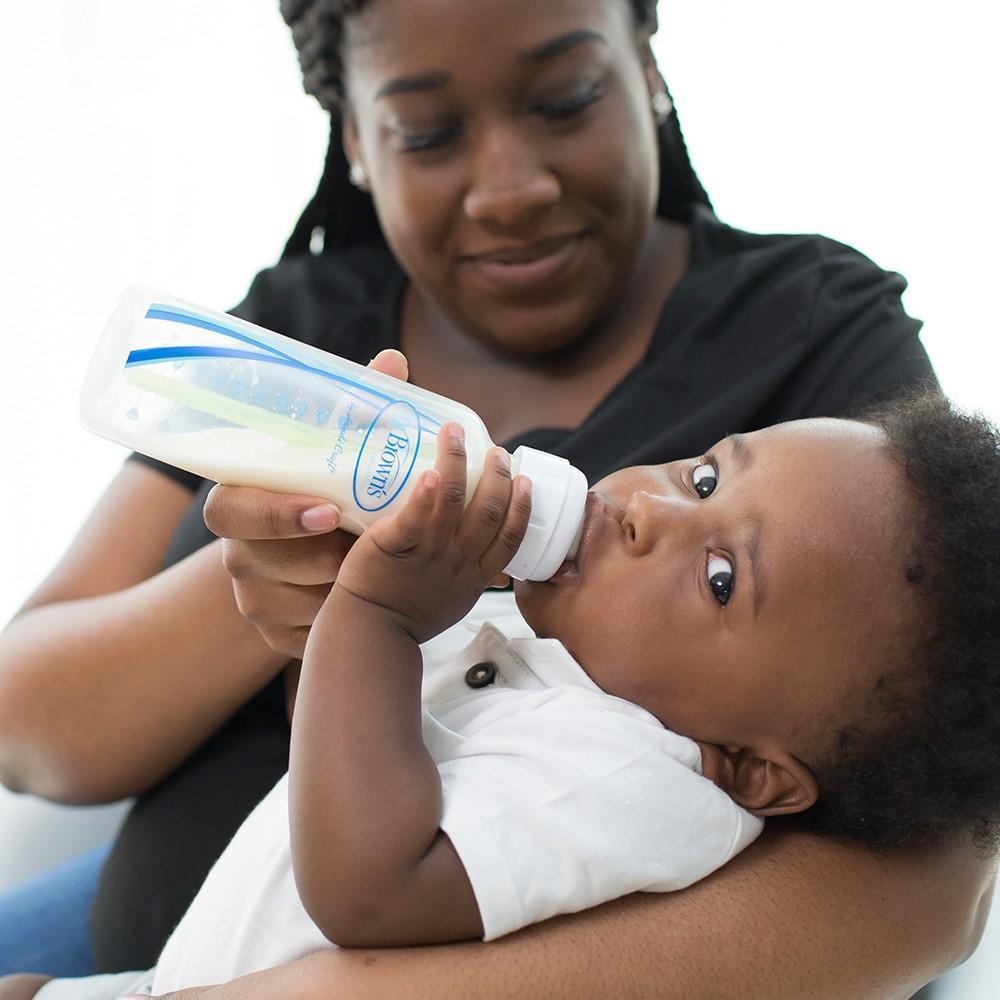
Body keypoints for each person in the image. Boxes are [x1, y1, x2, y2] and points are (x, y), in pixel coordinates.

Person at [0, 0, 993, 994]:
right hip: (144, 933)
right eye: (428, 132)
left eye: (564, 99)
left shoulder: (813, 336)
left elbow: (936, 868)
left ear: (644, 62)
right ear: (355, 136)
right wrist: (272, 585)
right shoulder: (296, 329)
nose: (511, 189)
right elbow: (25, 722)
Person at [5, 391, 1000, 1000]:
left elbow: (370, 889)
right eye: (703, 477)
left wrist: (372, 621)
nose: (649, 508)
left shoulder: (639, 781)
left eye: (723, 580)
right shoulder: (571, 657)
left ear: (754, 769)